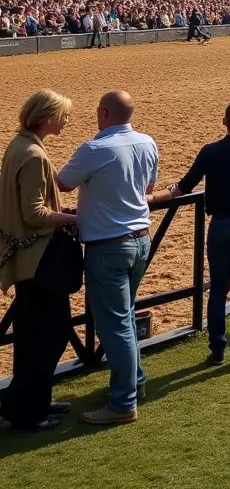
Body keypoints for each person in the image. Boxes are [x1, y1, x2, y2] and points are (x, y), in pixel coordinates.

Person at [57, 90, 159, 424]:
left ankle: (122, 403)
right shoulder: (147, 142)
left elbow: (63, 183)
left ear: (103, 113)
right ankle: (136, 382)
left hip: (108, 246)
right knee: (125, 316)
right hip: (141, 239)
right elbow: (148, 188)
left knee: (113, 325)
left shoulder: (94, 148)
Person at [148, 101, 230, 362]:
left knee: (219, 288)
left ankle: (217, 349)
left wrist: (152, 198)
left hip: (221, 225)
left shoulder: (210, 151)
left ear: (224, 122)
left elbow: (184, 185)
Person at [0, 90, 78, 431]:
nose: (66, 120)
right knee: (49, 334)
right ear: (47, 117)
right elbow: (35, 214)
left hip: (25, 257)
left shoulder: (20, 145)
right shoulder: (32, 154)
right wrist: (72, 219)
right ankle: (30, 411)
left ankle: (31, 403)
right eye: (63, 115)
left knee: (34, 334)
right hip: (38, 258)